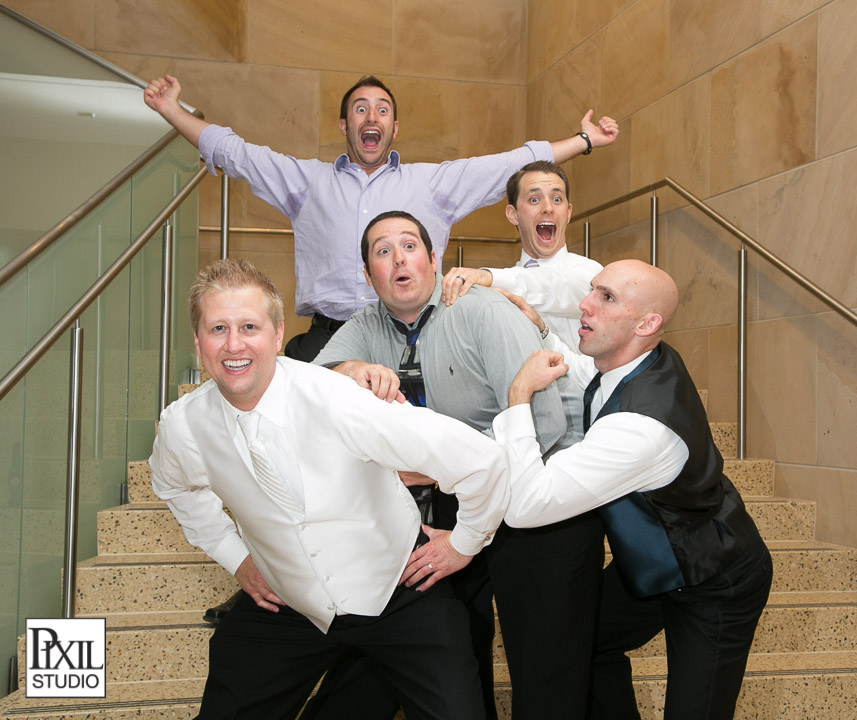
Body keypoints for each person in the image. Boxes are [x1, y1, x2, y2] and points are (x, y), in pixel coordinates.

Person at [149, 258, 510, 720]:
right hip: (289, 602)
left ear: (278, 335)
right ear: (199, 342)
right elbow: (177, 489)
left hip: (398, 588)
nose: (234, 344)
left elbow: (482, 461)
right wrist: (234, 556)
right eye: (218, 328)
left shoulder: (339, 400)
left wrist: (464, 544)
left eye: (249, 327)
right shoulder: (183, 425)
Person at [308, 211, 603, 720]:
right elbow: (310, 385)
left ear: (433, 259)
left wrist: (441, 467)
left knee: (547, 668)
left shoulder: (484, 311)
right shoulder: (366, 324)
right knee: (460, 650)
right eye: (383, 252)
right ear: (369, 276)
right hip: (455, 505)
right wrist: (349, 368)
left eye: (409, 246)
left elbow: (546, 423)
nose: (399, 260)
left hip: (539, 498)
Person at [142, 75, 618, 362]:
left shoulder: (432, 183)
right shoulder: (306, 181)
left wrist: (584, 141)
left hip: (416, 339)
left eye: (383, 109)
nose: (372, 116)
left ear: (394, 127)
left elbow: (511, 164)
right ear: (345, 125)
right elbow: (235, 152)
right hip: (329, 338)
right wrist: (170, 109)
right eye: (360, 109)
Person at [492, 259, 773, 720]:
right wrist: (542, 331)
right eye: (592, 290)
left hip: (717, 579)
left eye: (607, 298)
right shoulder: (638, 359)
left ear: (647, 324)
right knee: (583, 643)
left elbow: (527, 505)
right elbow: (593, 379)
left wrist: (518, 398)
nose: (584, 304)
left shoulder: (641, 427)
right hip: (656, 565)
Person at [441, 159, 602, 427]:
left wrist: (489, 277)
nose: (548, 208)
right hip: (515, 421)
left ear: (568, 212)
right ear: (513, 214)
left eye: (557, 199)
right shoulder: (495, 290)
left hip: (582, 422)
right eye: (534, 199)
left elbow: (548, 287)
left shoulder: (591, 274)